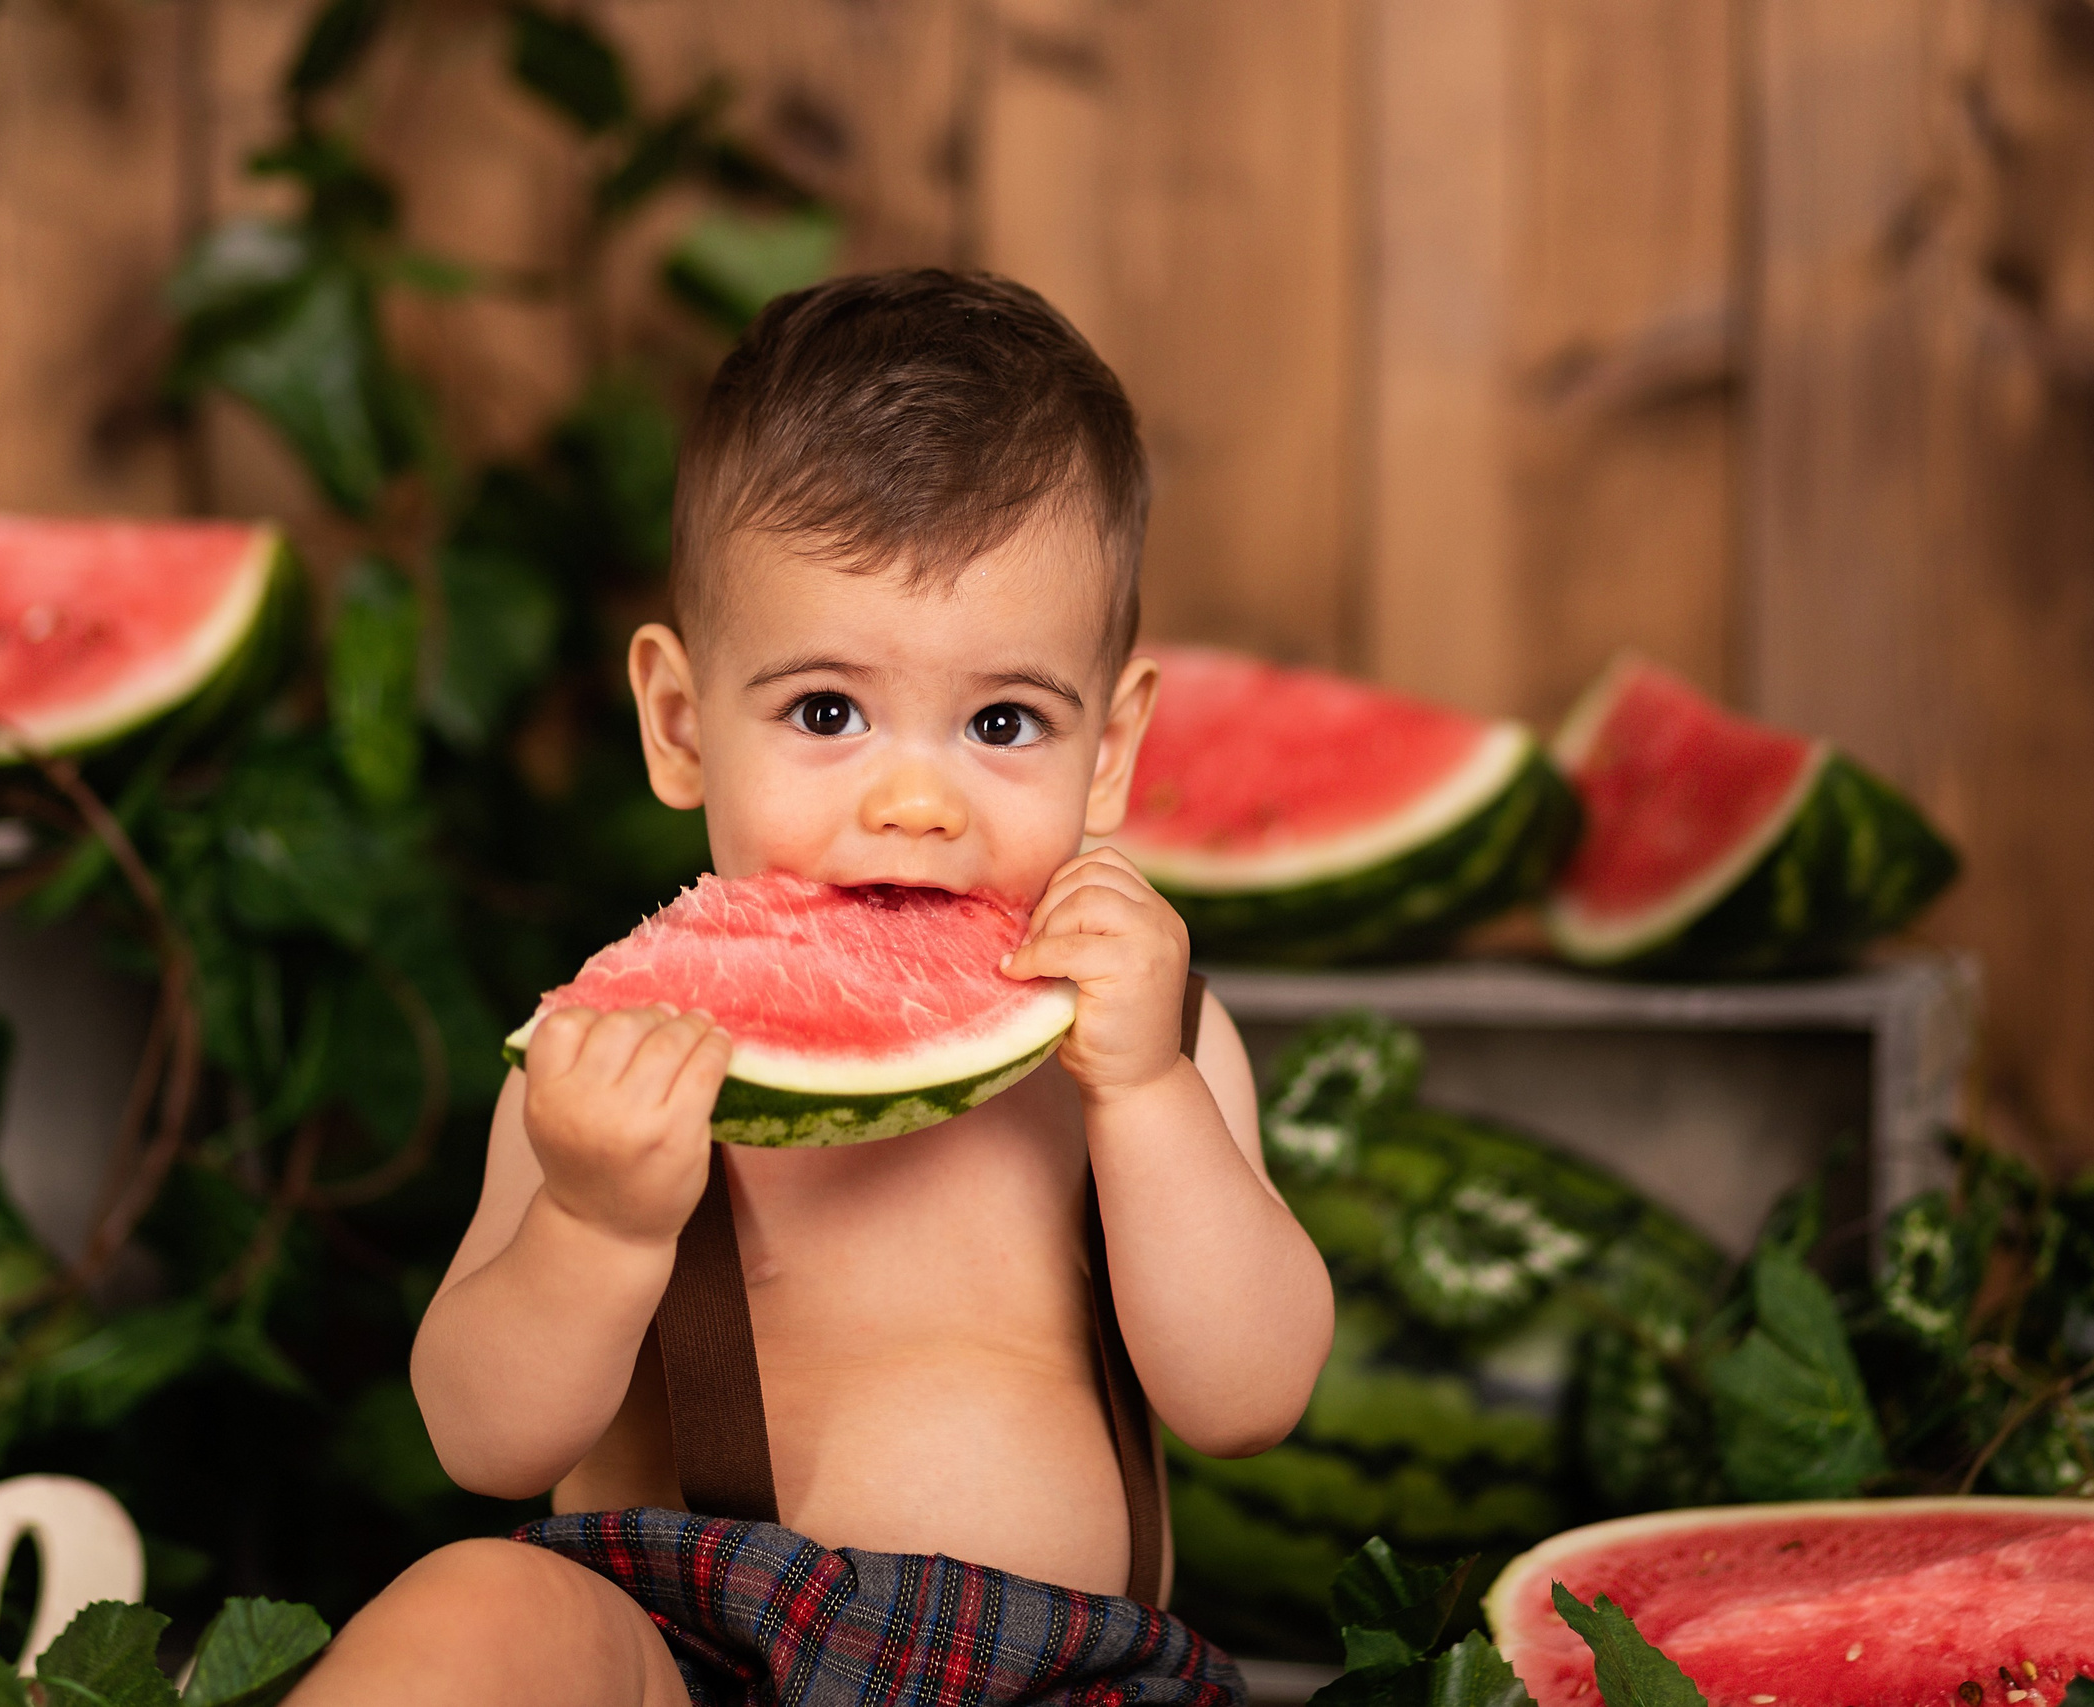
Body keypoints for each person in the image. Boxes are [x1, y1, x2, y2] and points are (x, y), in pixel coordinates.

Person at [294, 270, 1335, 1705]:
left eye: (1003, 720)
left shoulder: (1148, 1042)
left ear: (1110, 750)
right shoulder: (606, 1065)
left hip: (1048, 1679)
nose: (917, 799)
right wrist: (595, 1223)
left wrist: (1151, 1092)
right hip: (682, 1658)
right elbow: (485, 1442)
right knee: (478, 1610)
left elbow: (1247, 1399)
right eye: (828, 712)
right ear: (678, 724)